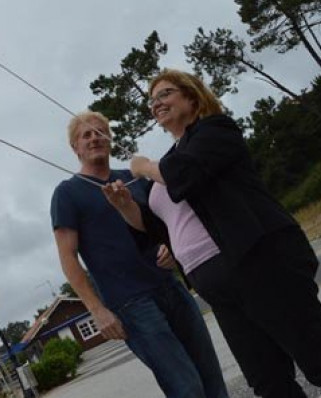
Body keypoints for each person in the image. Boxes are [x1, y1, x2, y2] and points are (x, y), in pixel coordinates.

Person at [104, 69, 321, 398]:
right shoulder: (171, 160)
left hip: (259, 263)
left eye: (165, 94)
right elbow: (156, 225)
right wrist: (124, 206)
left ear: (191, 97)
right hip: (215, 287)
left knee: (320, 361)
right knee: (268, 382)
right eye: (152, 99)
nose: (156, 103)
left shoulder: (214, 130)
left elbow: (186, 175)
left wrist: (144, 166)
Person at [52, 111, 229, 398]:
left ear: (109, 139)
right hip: (130, 303)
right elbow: (68, 257)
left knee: (211, 377)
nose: (94, 137)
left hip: (170, 286)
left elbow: (165, 225)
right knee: (186, 388)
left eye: (100, 131)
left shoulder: (134, 179)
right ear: (75, 147)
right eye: (86, 135)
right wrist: (97, 311)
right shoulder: (67, 193)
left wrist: (171, 248)